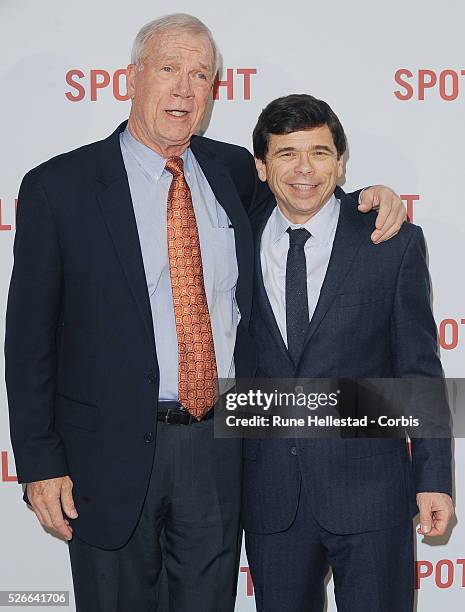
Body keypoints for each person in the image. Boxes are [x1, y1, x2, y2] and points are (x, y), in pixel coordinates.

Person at [5, 14, 405, 612]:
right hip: (105, 456)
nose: (186, 89)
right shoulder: (57, 188)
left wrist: (372, 201)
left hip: (216, 451)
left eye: (201, 75)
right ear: (133, 77)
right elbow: (28, 340)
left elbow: (306, 190)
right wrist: (39, 463)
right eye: (170, 69)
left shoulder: (232, 171)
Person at [242, 93, 455, 612]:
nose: (304, 169)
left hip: (372, 492)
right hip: (271, 496)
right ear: (262, 166)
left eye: (319, 152)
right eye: (287, 154)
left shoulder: (389, 240)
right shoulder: (231, 235)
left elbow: (418, 370)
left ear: (340, 162)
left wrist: (434, 481)